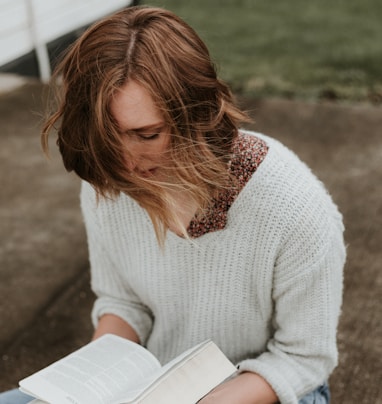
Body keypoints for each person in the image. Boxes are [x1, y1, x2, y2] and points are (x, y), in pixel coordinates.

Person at [0, 5, 345, 404]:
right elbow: (124, 302)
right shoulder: (108, 177)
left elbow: (303, 360)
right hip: (154, 385)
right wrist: (93, 383)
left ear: (196, 116)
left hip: (267, 389)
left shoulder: (293, 206)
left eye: (147, 135)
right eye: (108, 138)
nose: (126, 161)